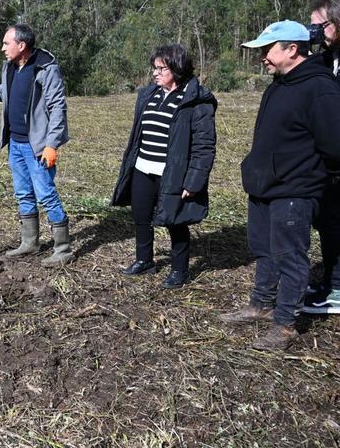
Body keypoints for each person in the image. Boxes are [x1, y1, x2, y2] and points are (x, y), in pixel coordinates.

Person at [219, 21, 340, 349]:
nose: (262, 57)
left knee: (290, 256)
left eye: (267, 49)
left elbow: (334, 146)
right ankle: (261, 304)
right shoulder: (279, 83)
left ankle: (285, 325)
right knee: (264, 249)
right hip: (263, 185)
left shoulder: (320, 87)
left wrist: (307, 174)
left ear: (292, 49)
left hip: (294, 189)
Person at [0, 23, 74, 267]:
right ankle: (30, 242)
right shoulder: (10, 67)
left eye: (6, 43)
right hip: (16, 144)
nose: (2, 48)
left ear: (21, 45)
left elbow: (57, 107)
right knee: (23, 193)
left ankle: (63, 248)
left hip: (38, 147)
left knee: (46, 194)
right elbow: (5, 93)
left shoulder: (45, 69)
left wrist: (52, 144)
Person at [110, 44, 217, 289]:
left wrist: (193, 181)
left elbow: (204, 146)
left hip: (172, 173)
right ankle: (144, 260)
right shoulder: (150, 94)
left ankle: (180, 270)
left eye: (161, 68)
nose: (155, 73)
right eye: (154, 68)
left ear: (177, 69)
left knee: (175, 220)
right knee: (140, 216)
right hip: (142, 168)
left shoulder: (196, 100)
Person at [303, 0, 340, 314]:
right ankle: (330, 279)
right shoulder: (327, 57)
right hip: (329, 160)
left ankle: (338, 290)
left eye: (321, 26)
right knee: (328, 222)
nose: (315, 32)